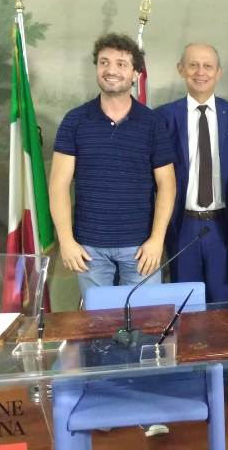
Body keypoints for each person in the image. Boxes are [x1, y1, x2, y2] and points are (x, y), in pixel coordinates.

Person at [50, 33, 176, 293]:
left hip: (141, 247)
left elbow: (167, 184)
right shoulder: (74, 121)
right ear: (96, 68)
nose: (111, 70)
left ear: (135, 74)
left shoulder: (152, 123)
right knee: (97, 317)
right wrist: (66, 241)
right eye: (104, 62)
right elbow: (58, 185)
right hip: (88, 248)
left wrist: (156, 240)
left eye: (121, 64)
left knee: (145, 316)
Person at [156, 43, 228, 303]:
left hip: (223, 223)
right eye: (193, 65)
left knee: (221, 298)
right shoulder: (163, 118)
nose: (200, 72)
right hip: (181, 224)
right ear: (181, 69)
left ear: (218, 72)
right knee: (184, 302)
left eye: (208, 66)